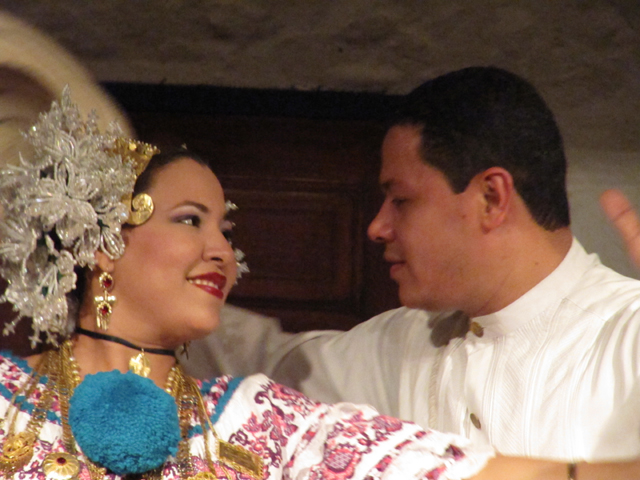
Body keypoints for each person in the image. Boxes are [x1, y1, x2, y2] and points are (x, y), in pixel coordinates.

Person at [0, 90, 503, 480]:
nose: (223, 251)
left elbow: (447, 469)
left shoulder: (259, 421)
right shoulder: (7, 401)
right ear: (103, 245)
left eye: (226, 230)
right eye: (191, 220)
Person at [184, 67, 640, 464]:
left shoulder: (625, 334)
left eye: (401, 200)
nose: (378, 227)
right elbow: (258, 365)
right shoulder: (402, 344)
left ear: (491, 197)